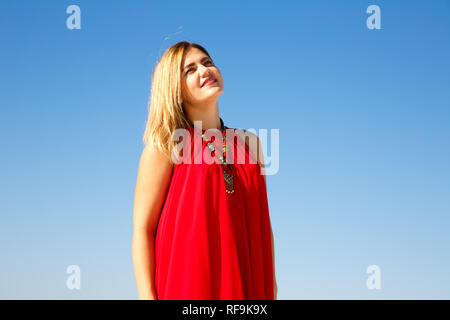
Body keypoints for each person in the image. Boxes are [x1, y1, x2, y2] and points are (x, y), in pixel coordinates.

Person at [132, 41, 277, 300]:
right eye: (190, 69)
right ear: (174, 89)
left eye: (208, 62)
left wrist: (272, 287)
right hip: (186, 287)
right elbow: (143, 230)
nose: (205, 70)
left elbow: (262, 224)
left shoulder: (250, 143)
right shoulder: (166, 145)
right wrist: (146, 296)